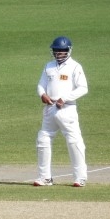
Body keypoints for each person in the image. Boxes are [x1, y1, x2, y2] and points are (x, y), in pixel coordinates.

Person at [34, 36, 88, 187]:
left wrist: (64, 98)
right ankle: (45, 177)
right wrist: (42, 95)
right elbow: (41, 85)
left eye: (62, 51)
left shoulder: (75, 67)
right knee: (43, 140)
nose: (59, 53)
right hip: (50, 108)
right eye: (56, 51)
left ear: (68, 51)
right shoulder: (49, 66)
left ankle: (80, 177)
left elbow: (83, 88)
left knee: (74, 141)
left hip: (67, 108)